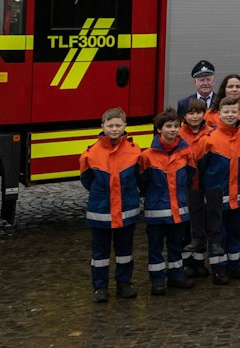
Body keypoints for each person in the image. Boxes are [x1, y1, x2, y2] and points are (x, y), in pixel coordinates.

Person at [79, 106, 143, 301]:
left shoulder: (134, 151)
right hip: (101, 212)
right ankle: (100, 287)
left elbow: (139, 176)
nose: (114, 129)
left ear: (125, 126)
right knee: (100, 253)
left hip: (126, 211)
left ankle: (124, 283)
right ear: (102, 126)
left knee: (125, 252)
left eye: (118, 125)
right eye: (110, 125)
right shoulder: (91, 153)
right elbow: (86, 180)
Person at [197, 96, 240, 283]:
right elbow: (200, 167)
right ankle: (218, 268)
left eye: (234, 111)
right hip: (217, 196)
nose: (230, 115)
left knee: (236, 232)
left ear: (239, 113)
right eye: (226, 112)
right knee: (218, 235)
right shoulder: (209, 140)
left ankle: (236, 265)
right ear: (219, 114)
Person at [138, 110, 194, 295]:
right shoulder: (147, 156)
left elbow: (190, 176)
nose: (173, 129)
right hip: (156, 211)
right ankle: (157, 280)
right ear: (159, 129)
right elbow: (143, 182)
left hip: (179, 209)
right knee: (155, 247)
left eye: (176, 126)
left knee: (176, 245)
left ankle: (176, 275)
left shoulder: (186, 152)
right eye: (168, 126)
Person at [177, 99, 215, 275]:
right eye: (191, 113)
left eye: (198, 113)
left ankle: (200, 262)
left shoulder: (212, 133)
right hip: (186, 188)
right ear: (184, 116)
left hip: (205, 186)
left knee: (202, 225)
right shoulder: (178, 135)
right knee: (186, 227)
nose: (195, 116)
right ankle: (187, 262)